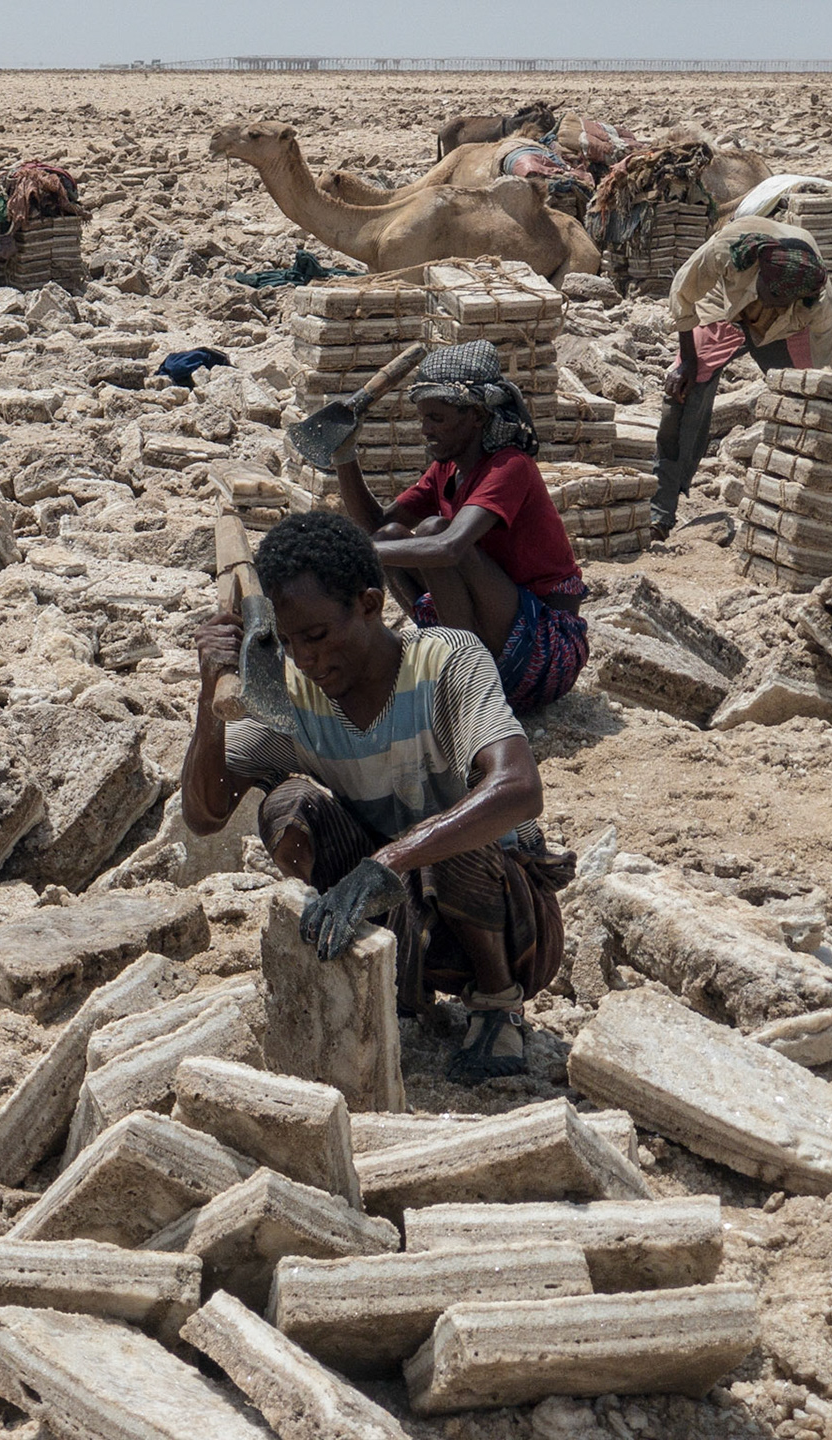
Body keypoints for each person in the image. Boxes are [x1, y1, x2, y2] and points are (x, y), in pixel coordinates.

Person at [181, 512, 575, 1084]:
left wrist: (388, 859)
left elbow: (518, 789)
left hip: (507, 923)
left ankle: (496, 1004)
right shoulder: (294, 699)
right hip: (401, 914)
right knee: (288, 808)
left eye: (316, 637)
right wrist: (209, 693)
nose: (305, 659)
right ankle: (381, 977)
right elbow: (204, 814)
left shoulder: (445, 660)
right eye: (288, 643)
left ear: (369, 604)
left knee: (455, 832)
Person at [333, 341, 588, 714]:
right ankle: (456, 659)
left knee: (436, 530)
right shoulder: (446, 469)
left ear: (478, 417)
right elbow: (379, 528)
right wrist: (345, 457)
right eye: (423, 419)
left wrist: (353, 553)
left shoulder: (509, 467)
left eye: (436, 419)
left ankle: (468, 678)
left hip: (546, 645)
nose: (425, 430)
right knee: (392, 538)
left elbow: (449, 548)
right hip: (502, 627)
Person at [652, 215, 832, 540]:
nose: (771, 304)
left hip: (789, 326)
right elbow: (683, 294)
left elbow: (828, 378)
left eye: (780, 301)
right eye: (771, 296)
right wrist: (687, 362)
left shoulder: (815, 304)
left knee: (810, 408)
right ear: (760, 276)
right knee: (682, 395)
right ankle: (659, 513)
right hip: (722, 303)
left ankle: (806, 506)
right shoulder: (729, 250)